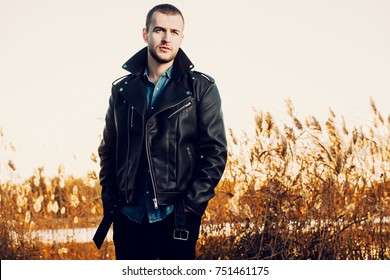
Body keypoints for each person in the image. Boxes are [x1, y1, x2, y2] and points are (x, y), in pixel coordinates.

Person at [93, 3, 227, 260]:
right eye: (159, 30)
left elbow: (215, 153)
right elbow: (109, 150)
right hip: (129, 217)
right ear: (146, 34)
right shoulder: (121, 90)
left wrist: (190, 207)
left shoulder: (200, 88)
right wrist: (112, 200)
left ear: (182, 38)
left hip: (176, 218)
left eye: (174, 32)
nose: (166, 38)